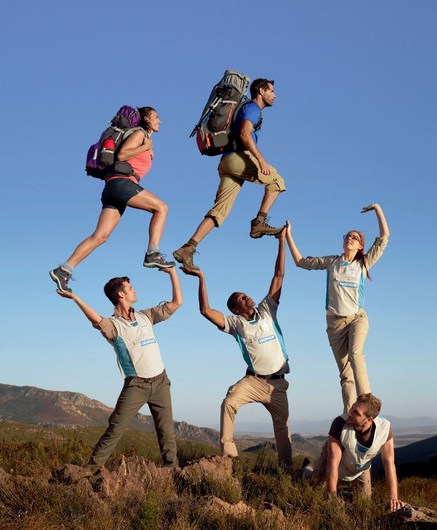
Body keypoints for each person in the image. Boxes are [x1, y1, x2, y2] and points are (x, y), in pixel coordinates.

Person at [181, 230, 292, 469]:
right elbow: (205, 311)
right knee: (229, 402)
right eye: (241, 298)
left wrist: (282, 241)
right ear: (235, 309)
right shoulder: (235, 324)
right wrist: (201, 278)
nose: (247, 297)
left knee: (282, 428)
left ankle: (286, 469)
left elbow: (279, 275)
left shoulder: (267, 309)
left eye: (245, 294)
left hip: (278, 385)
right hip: (253, 382)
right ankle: (229, 459)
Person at [56, 267, 182, 468]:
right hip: (136, 386)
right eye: (131, 288)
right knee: (116, 427)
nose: (135, 291)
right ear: (121, 294)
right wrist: (74, 297)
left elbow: (177, 303)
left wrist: (172, 273)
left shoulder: (146, 316)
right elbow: (96, 319)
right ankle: (92, 469)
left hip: (161, 383)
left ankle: (172, 469)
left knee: (166, 430)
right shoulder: (113, 326)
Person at [50, 106, 175, 293]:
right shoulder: (139, 134)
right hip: (122, 184)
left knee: (100, 236)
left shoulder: (144, 138)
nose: (160, 121)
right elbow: (122, 154)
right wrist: (144, 146)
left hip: (112, 188)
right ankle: (153, 253)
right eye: (156, 117)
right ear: (147, 120)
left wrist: (146, 149)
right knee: (161, 208)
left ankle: (64, 270)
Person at [284, 203, 390, 415]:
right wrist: (288, 236)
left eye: (354, 237)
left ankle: (366, 400)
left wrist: (377, 209)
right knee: (345, 374)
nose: (349, 238)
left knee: (355, 352)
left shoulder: (363, 263)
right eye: (347, 236)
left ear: (360, 246)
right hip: (334, 323)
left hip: (357, 318)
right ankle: (351, 413)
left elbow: (384, 237)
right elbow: (300, 262)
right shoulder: (332, 262)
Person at [173, 79, 286, 274]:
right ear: (261, 91)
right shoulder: (253, 108)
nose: (275, 95)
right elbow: (244, 134)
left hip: (226, 162)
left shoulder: (248, 108)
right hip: (238, 158)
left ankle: (188, 248)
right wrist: (260, 160)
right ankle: (259, 222)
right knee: (277, 181)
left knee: (219, 211)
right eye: (272, 91)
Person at [304, 393, 402, 512]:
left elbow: (389, 464)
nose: (350, 413)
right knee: (312, 487)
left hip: (361, 467)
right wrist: (332, 495)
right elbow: (333, 462)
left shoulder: (384, 429)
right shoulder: (340, 423)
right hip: (337, 462)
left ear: (369, 419)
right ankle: (307, 468)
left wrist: (393, 498)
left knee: (364, 505)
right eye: (352, 408)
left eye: (356, 413)